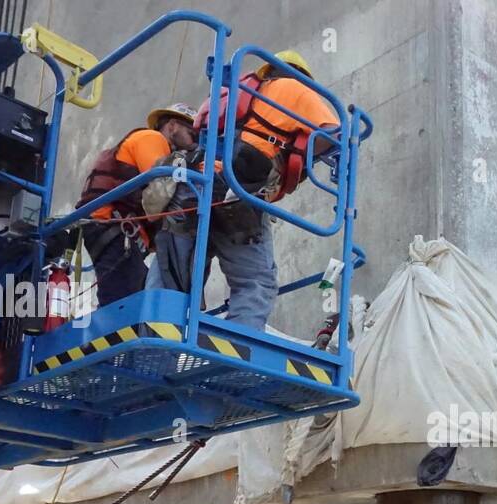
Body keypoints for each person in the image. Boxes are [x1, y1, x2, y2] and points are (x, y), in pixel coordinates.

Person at [146, 50, 340, 331]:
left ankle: (154, 337)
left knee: (172, 273)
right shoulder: (295, 87)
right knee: (255, 282)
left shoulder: (233, 95)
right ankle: (236, 349)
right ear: (298, 74)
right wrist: (300, 156)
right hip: (239, 195)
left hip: (193, 189)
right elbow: (332, 134)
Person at [76, 104, 197, 306]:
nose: (194, 142)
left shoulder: (163, 150)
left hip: (119, 233)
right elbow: (162, 186)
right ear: (173, 125)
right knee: (124, 300)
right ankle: (112, 336)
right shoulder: (152, 138)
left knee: (134, 294)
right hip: (112, 228)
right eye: (192, 134)